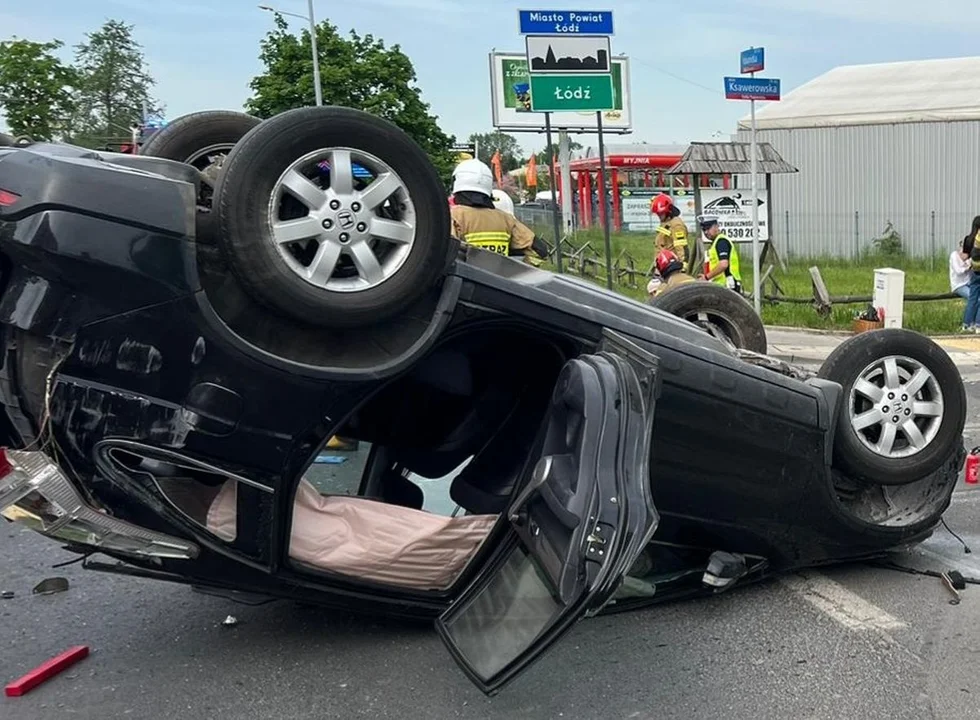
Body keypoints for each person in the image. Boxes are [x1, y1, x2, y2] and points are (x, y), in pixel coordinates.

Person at [449, 159, 548, 266]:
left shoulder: (454, 216)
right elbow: (540, 250)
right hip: (499, 280)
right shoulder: (506, 219)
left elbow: (444, 252)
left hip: (466, 280)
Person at [699, 215, 742, 293]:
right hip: (721, 285)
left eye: (708, 228)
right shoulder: (715, 243)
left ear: (716, 226)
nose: (705, 232)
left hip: (728, 285)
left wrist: (706, 277)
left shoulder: (721, 242)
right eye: (703, 229)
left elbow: (723, 264)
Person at [650, 193, 689, 266]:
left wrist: (682, 265)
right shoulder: (665, 222)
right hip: (662, 263)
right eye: (658, 214)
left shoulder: (676, 225)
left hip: (671, 264)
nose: (659, 216)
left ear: (668, 212)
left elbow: (680, 247)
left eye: (660, 214)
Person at [961, 216, 980, 331]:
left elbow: (964, 256)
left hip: (974, 272)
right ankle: (978, 324)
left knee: (972, 299)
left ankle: (966, 324)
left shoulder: (968, 239)